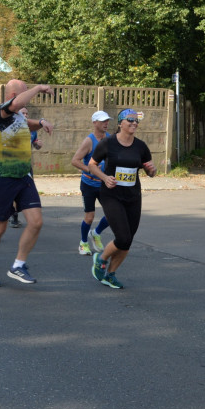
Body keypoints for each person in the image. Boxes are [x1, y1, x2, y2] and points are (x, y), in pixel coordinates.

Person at [0, 80, 53, 287]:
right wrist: (38, 88)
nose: (29, 92)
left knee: (36, 222)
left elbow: (27, 123)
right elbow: (15, 106)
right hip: (2, 177)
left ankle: (18, 265)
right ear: (13, 94)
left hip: (23, 176)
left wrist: (42, 122)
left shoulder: (18, 116)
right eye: (25, 90)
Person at [87, 109, 155, 289]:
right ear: (120, 123)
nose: (134, 123)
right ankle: (100, 259)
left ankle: (110, 274)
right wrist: (104, 177)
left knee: (128, 240)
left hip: (133, 197)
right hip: (111, 195)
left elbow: (150, 171)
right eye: (130, 120)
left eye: (136, 120)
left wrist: (151, 170)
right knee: (122, 237)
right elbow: (92, 165)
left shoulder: (140, 146)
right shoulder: (108, 143)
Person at [71, 110, 113, 256]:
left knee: (113, 214)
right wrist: (90, 170)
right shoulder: (89, 141)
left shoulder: (110, 139)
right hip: (89, 184)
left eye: (107, 121)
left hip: (104, 183)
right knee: (89, 217)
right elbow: (75, 160)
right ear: (95, 123)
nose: (106, 123)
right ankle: (83, 243)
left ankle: (96, 233)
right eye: (103, 121)